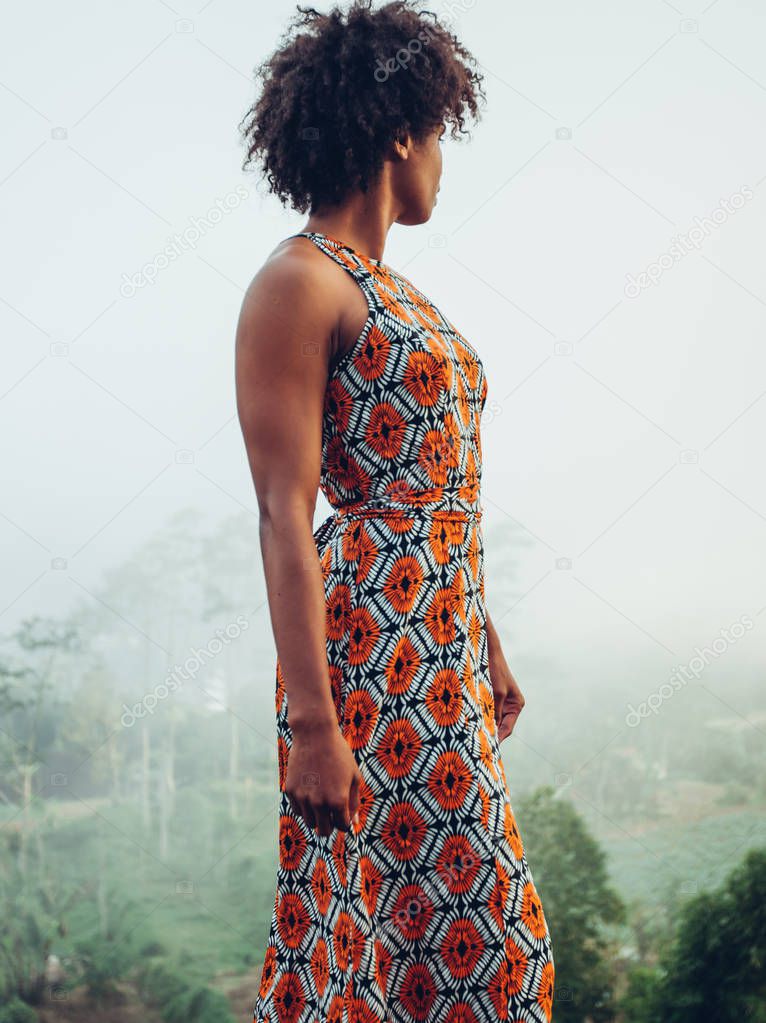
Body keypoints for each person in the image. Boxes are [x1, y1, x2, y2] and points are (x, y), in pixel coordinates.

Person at [235, 2, 555, 1020]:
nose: (444, 168)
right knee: (449, 917)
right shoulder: (299, 281)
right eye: (442, 140)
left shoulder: (398, 292)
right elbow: (286, 513)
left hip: (444, 639)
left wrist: (487, 640)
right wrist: (315, 728)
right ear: (401, 132)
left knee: (443, 916)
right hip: (368, 658)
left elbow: (435, 495)